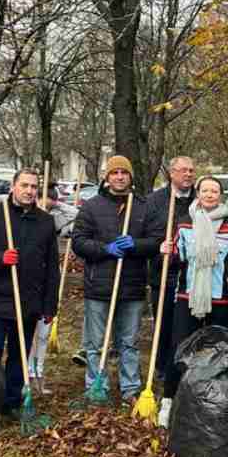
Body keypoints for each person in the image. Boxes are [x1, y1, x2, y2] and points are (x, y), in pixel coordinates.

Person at [0, 168, 59, 415]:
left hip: (29, 301)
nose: (29, 191)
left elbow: (52, 266)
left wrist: (50, 305)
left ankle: (11, 402)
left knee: (20, 356)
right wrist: (0, 258)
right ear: (14, 186)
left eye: (34, 187)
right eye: (25, 186)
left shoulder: (45, 221)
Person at [71, 155, 157, 403]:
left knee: (129, 342)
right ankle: (96, 387)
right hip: (99, 286)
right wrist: (105, 249)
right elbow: (79, 242)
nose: (119, 177)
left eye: (124, 173)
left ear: (130, 177)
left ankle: (130, 388)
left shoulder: (143, 206)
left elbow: (155, 241)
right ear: (106, 177)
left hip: (132, 286)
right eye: (114, 173)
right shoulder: (92, 206)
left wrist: (136, 245)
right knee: (96, 343)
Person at [160, 176, 228, 415]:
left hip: (220, 299)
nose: (209, 194)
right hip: (188, 296)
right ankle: (169, 399)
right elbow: (177, 257)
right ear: (198, 193)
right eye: (205, 190)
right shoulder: (185, 222)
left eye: (214, 191)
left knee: (217, 351)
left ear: (221, 195)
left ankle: (211, 400)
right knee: (180, 347)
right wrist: (168, 250)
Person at [142, 155, 197, 381]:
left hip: (191, 275)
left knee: (187, 324)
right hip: (163, 273)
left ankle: (185, 366)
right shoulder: (154, 201)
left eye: (191, 171)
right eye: (183, 170)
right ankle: (163, 367)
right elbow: (142, 238)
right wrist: (158, 246)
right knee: (164, 322)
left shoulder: (199, 200)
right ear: (172, 173)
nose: (188, 175)